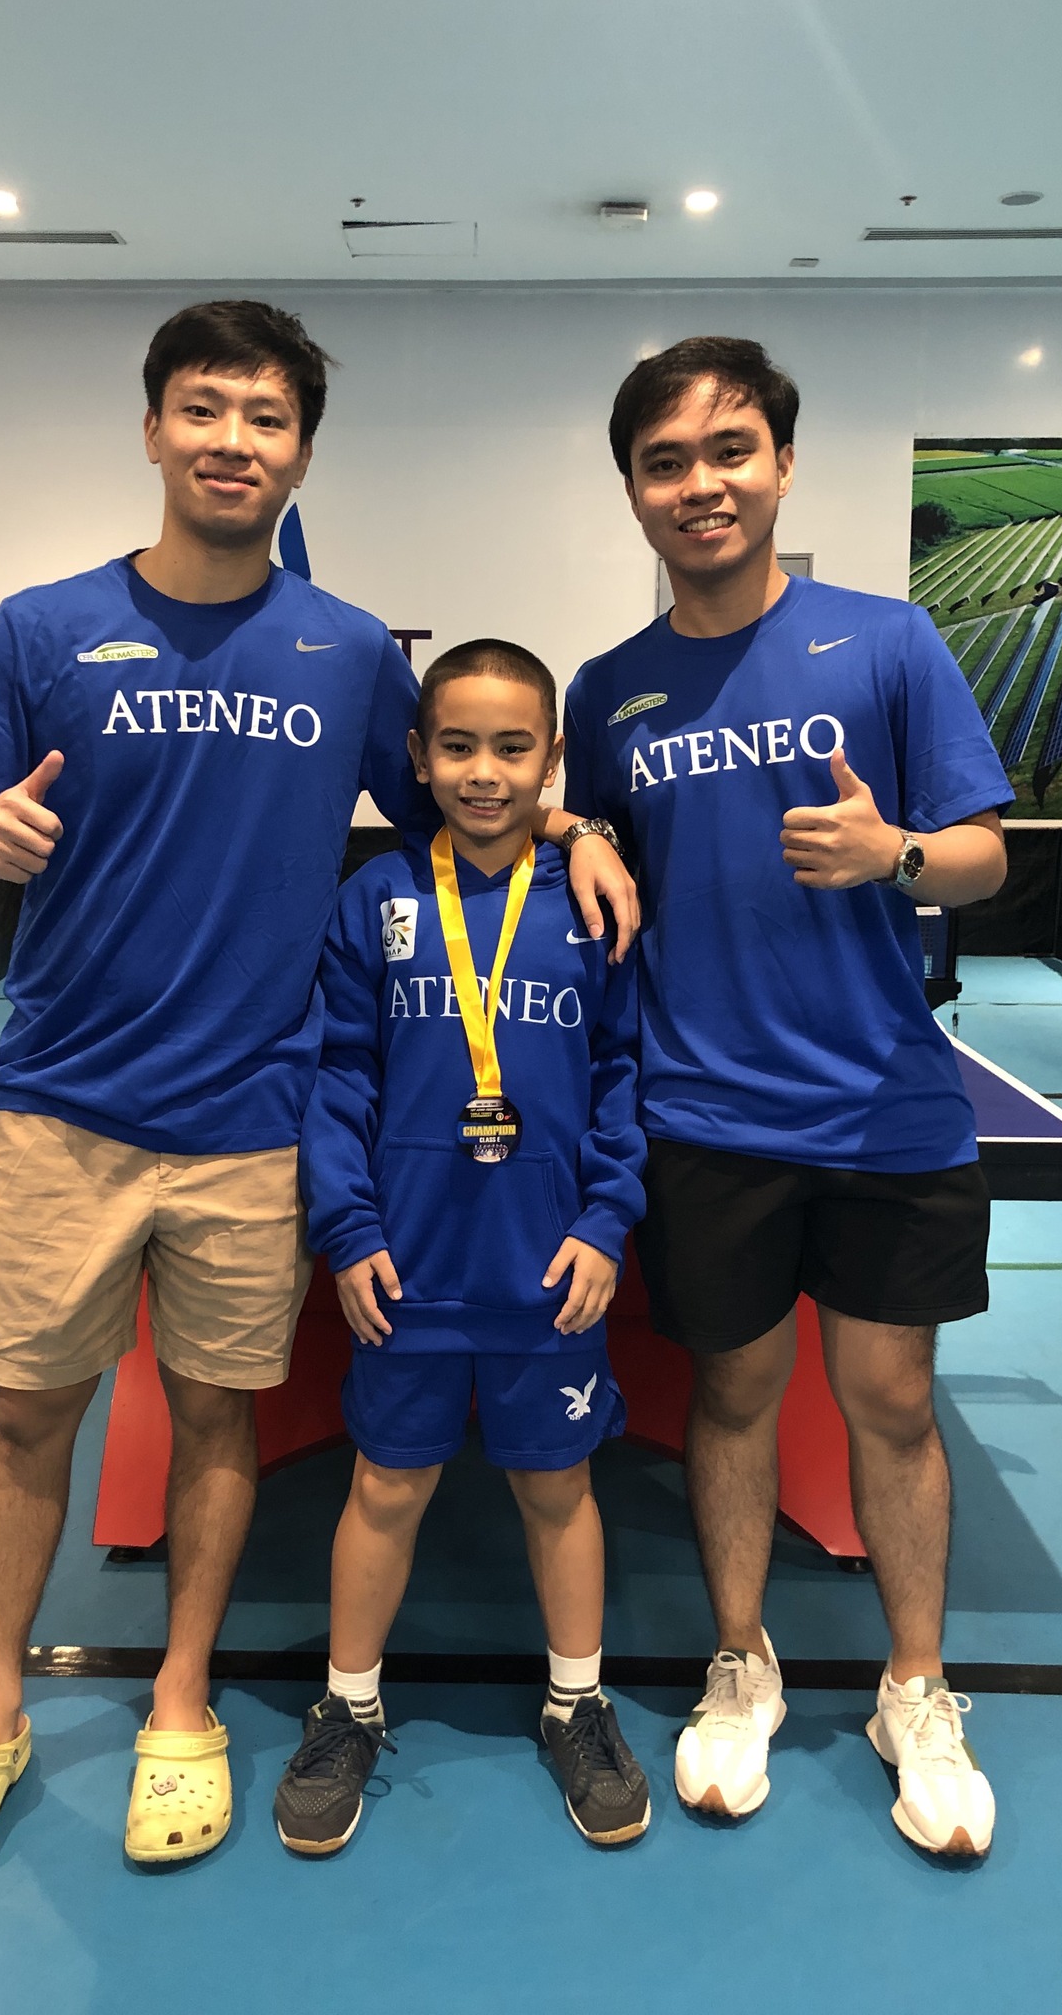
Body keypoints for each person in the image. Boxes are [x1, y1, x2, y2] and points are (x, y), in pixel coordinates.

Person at [0, 300, 636, 1884]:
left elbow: (453, 797)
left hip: (251, 1119)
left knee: (219, 1416)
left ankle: (180, 1701)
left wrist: (575, 830)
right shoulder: (36, 627)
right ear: (153, 430)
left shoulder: (349, 648)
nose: (236, 441)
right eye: (206, 410)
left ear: (302, 451)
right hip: (65, 1100)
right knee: (30, 1420)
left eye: (269, 418)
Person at [563, 337, 1012, 1859]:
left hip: (888, 1108)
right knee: (737, 1397)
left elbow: (983, 856)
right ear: (633, 489)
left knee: (893, 1404)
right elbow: (587, 839)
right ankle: (741, 1663)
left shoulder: (888, 645)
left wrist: (892, 854)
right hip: (707, 1115)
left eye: (731, 449)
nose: (703, 484)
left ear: (782, 464)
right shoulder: (608, 690)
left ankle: (913, 1685)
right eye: (668, 461)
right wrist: (577, 833)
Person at [272, 640, 649, 1856]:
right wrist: (348, 1227)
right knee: (384, 1484)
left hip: (553, 1274)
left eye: (514, 746)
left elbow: (622, 1077)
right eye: (457, 745)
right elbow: (337, 1078)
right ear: (420, 758)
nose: (485, 772)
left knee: (558, 1485)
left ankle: (577, 1702)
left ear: (552, 759)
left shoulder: (592, 901)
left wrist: (604, 1221)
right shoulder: (374, 901)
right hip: (409, 1272)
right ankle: (350, 1704)